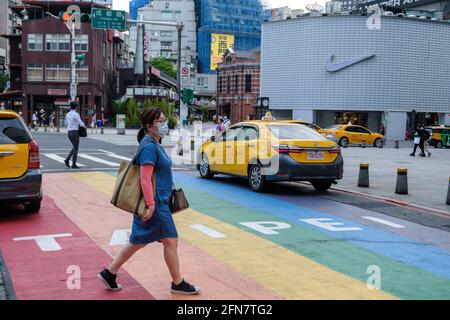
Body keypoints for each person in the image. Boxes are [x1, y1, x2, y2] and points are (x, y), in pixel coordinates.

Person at [98, 108, 201, 295]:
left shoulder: (153, 143)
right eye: (160, 121)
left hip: (155, 201)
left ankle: (110, 272)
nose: (164, 123)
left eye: (164, 120)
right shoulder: (149, 147)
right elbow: (144, 178)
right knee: (170, 240)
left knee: (138, 240)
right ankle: (178, 283)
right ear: (149, 125)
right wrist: (151, 204)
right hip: (155, 204)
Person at [64, 102, 85, 169]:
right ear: (76, 107)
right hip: (75, 132)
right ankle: (73, 164)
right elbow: (81, 123)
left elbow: (66, 123)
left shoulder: (67, 114)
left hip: (69, 132)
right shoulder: (76, 114)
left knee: (74, 147)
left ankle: (67, 160)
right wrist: (84, 125)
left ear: (70, 107)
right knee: (76, 148)